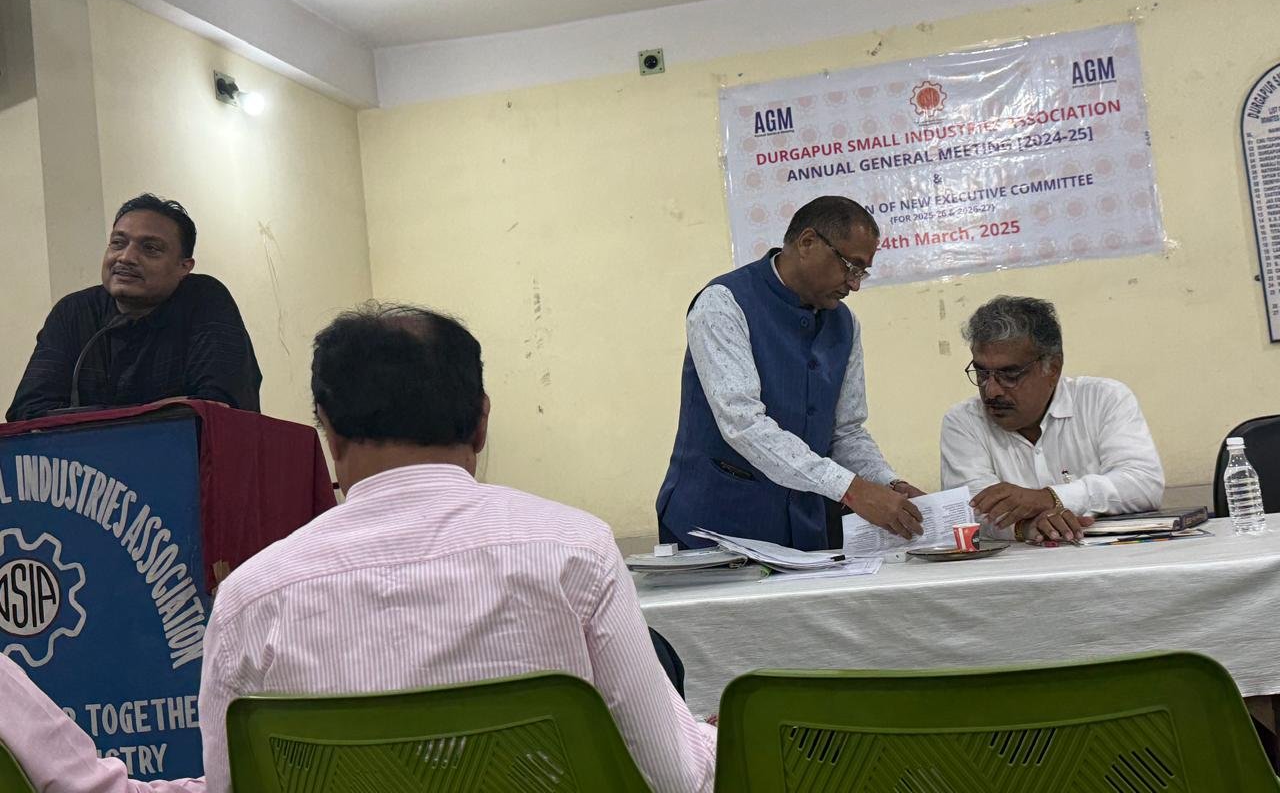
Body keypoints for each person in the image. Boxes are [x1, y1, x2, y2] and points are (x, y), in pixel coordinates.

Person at [0, 304, 714, 793]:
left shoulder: (252, 596)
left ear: (327, 430)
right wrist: (707, 738)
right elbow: (674, 777)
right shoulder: (573, 549)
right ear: (482, 420)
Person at [656, 195, 924, 552]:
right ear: (807, 242)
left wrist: (888, 484)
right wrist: (853, 489)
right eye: (851, 266)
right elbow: (743, 424)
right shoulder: (723, 304)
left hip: (803, 526)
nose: (854, 284)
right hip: (716, 525)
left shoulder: (845, 324)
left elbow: (844, 432)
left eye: (862, 272)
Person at [6, 194, 261, 420]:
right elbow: (28, 411)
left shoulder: (204, 300)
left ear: (184, 267)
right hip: (81, 459)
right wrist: (155, 411)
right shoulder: (74, 312)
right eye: (118, 243)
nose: (126, 257)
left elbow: (219, 408)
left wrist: (91, 418)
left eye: (150, 248)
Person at [940, 295, 1164, 543]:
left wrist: (1050, 498)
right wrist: (1027, 526)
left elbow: (1144, 484)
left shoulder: (1103, 399)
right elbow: (971, 511)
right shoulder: (963, 422)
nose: (991, 390)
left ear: (1053, 368)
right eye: (982, 373)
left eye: (1010, 374)